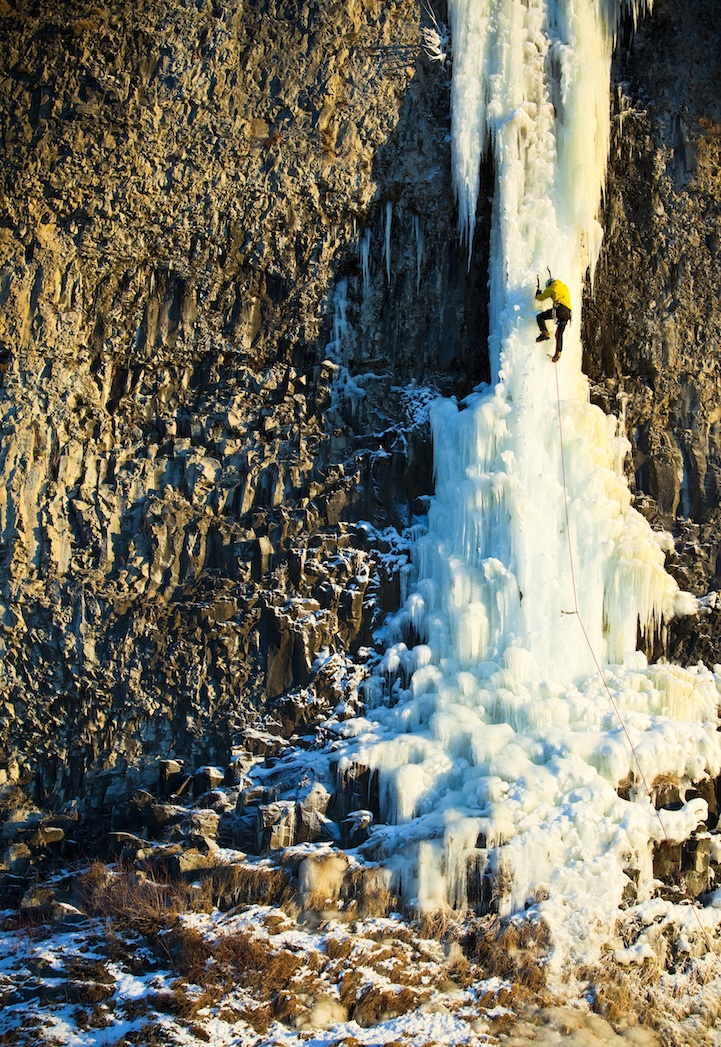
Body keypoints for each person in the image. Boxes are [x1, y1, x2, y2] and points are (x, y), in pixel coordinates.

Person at [535, 277, 572, 362]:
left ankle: (545, 333)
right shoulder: (564, 286)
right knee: (559, 334)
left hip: (560, 309)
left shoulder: (552, 288)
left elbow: (541, 297)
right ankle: (558, 354)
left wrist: (538, 293)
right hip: (567, 313)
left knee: (540, 317)